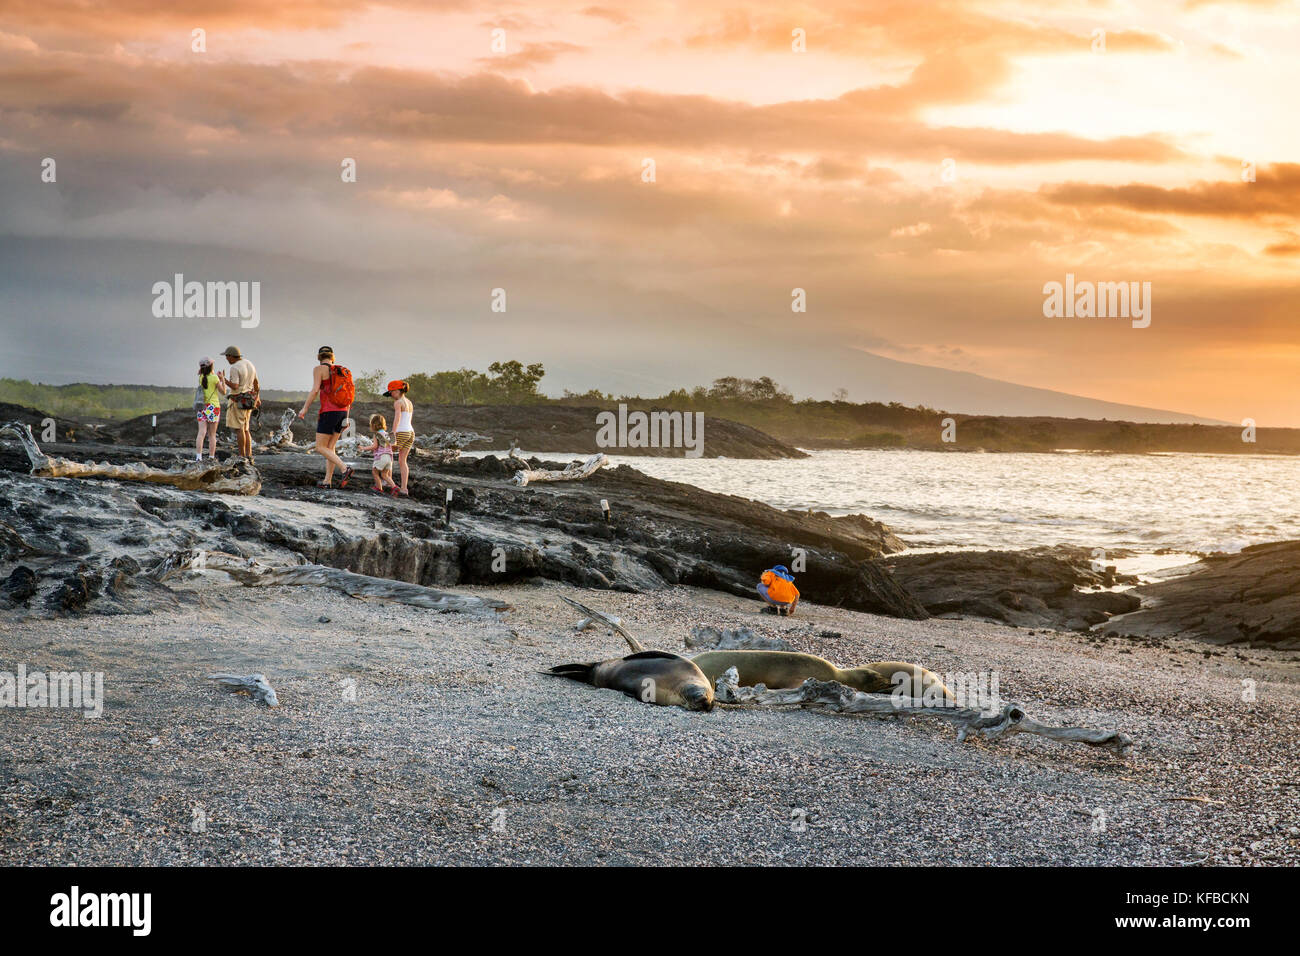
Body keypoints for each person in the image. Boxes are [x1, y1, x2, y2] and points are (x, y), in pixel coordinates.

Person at [297, 345, 355, 488]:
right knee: (330, 447)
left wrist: (305, 408)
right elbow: (349, 396)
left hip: (329, 412)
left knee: (319, 447)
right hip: (342, 412)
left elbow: (315, 389)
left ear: (319, 357)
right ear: (332, 357)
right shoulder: (343, 371)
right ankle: (327, 482)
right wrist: (347, 416)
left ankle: (344, 468)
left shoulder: (319, 369)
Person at [217, 345, 258, 462]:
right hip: (249, 400)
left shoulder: (235, 367)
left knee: (239, 429)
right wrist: (257, 398)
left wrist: (223, 379)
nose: (226, 359)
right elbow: (256, 384)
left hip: (237, 401)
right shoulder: (250, 364)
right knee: (246, 429)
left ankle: (241, 456)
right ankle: (249, 455)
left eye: (226, 356)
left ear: (231, 356)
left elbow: (235, 386)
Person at [193, 357, 227, 461]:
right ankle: (211, 457)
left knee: (201, 432)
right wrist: (222, 379)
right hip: (213, 407)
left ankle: (198, 457)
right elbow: (224, 392)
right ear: (211, 366)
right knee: (212, 434)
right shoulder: (214, 378)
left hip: (202, 406)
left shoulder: (201, 377)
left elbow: (204, 375)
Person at [385, 379, 414, 497]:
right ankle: (404, 488)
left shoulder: (398, 403)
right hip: (410, 432)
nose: (391, 395)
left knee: (386, 454)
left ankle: (388, 481)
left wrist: (392, 434)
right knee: (403, 461)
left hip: (401, 432)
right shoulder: (409, 402)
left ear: (397, 390)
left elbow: (397, 419)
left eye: (391, 392)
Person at [361, 414, 398, 493]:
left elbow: (374, 446)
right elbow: (393, 446)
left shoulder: (376, 434)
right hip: (389, 458)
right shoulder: (387, 434)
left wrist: (363, 448)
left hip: (381, 457)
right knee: (385, 475)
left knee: (375, 472)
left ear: (373, 425)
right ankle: (394, 487)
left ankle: (379, 488)